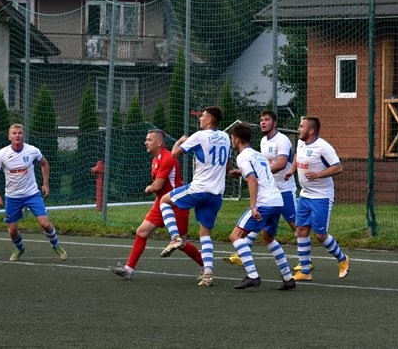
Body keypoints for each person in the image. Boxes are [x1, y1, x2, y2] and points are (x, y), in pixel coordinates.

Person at [109, 129, 204, 280]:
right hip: (161, 203)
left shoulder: (167, 158)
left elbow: (157, 186)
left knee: (182, 243)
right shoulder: (155, 160)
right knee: (141, 232)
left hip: (176, 205)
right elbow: (161, 188)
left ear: (159, 142)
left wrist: (149, 188)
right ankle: (128, 269)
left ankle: (205, 266)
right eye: (146, 140)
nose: (146, 143)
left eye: (149, 140)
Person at [158, 106, 230, 287]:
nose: (200, 119)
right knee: (205, 233)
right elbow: (227, 164)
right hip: (217, 193)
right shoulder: (225, 137)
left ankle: (175, 237)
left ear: (210, 120)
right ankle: (208, 275)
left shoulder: (199, 136)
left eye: (203, 116)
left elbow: (174, 154)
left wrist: (180, 141)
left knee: (164, 201)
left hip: (200, 188)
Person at [222, 110, 300, 268]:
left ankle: (305, 260)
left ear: (274, 123)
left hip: (284, 189)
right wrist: (245, 171)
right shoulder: (263, 141)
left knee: (295, 226)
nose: (262, 122)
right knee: (258, 222)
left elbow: (281, 164)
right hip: (269, 191)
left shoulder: (282, 140)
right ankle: (242, 254)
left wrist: (252, 173)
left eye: (266, 119)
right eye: (261, 120)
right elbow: (259, 165)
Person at [0, 124, 67, 262]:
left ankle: (56, 245)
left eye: (20, 133)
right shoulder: (2, 153)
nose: (17, 135)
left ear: (23, 135)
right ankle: (20, 248)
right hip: (12, 197)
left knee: (45, 223)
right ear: (9, 136)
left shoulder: (32, 150)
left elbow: (44, 163)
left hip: (32, 194)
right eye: (14, 133)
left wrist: (45, 184)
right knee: (12, 231)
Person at [289, 116, 350, 281]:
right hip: (305, 194)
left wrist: (317, 175)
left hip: (321, 196)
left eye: (301, 126)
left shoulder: (323, 147)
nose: (298, 129)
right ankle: (305, 271)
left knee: (320, 235)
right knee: (301, 230)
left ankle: (343, 259)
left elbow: (338, 167)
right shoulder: (301, 143)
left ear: (311, 131)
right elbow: (297, 155)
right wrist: (291, 170)